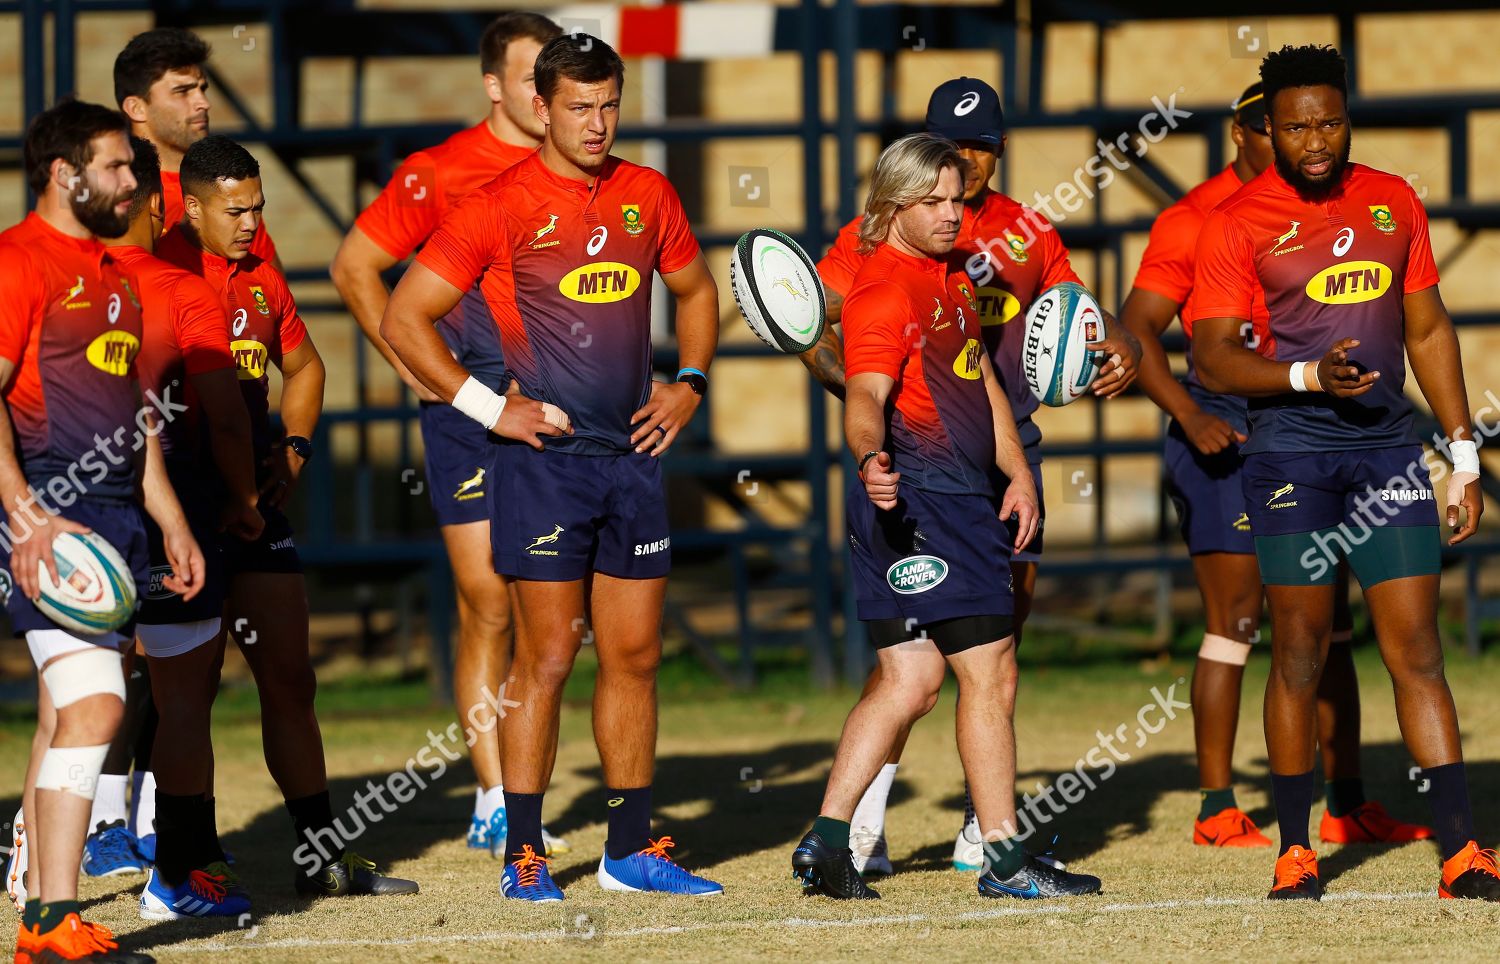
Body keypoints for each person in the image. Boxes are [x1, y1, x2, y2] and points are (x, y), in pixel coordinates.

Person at [382, 34, 722, 901]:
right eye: (579, 106)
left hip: (632, 459)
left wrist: (688, 383)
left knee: (636, 654)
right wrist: (493, 410)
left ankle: (629, 849)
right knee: (546, 658)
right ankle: (524, 851)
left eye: (610, 104)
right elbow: (404, 316)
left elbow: (695, 292)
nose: (598, 122)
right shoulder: (497, 205)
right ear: (540, 106)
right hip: (543, 467)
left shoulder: (648, 193)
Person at [799, 77, 1141, 874]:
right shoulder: (885, 269)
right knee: (983, 668)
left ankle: (830, 838)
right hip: (927, 487)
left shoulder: (965, 266)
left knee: (917, 674)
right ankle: (997, 853)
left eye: (977, 158)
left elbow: (1002, 362)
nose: (959, 193)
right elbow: (851, 369)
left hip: (978, 467)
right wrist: (872, 446)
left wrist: (1021, 465)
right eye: (944, 179)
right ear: (900, 198)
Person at [1190, 43, 1499, 901]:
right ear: (1269, 131)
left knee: (1418, 652)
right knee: (1295, 651)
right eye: (1296, 127)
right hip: (1289, 457)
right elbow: (1212, 359)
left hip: (1389, 455)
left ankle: (1463, 852)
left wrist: (1462, 453)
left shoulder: (1394, 200)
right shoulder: (1236, 221)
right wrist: (1301, 376)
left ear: (1346, 116)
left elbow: (1429, 331)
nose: (1315, 140)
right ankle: (1297, 850)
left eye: (1328, 120)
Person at [1119, 83, 1430, 848]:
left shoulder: (1348, 204)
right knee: (1241, 620)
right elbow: (1137, 329)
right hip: (1224, 420)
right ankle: (1217, 803)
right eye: (1280, 127)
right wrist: (1189, 415)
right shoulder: (1196, 219)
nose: (1302, 141)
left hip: (1318, 420)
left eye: (1321, 123)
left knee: (1331, 625)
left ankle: (1347, 800)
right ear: (1245, 131)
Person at [330, 10, 570, 857]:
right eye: (532, 72)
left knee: (559, 617)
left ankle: (545, 780)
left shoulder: (587, 168)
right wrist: (404, 357)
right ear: (496, 86)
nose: (550, 90)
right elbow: (354, 265)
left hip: (562, 413)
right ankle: (494, 795)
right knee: (489, 603)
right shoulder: (440, 172)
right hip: (469, 413)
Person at [158, 135, 417, 900]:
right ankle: (190, 860)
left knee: (291, 676)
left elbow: (304, 366)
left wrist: (296, 447)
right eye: (235, 210)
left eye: (258, 207)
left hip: (256, 504)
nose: (250, 222)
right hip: (186, 502)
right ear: (193, 208)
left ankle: (321, 854)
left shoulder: (260, 275)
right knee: (187, 689)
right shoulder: (162, 275)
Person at [5, 97, 207, 964]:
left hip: (120, 519)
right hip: (50, 513)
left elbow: (139, 419)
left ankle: (36, 890)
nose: (137, 182)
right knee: (98, 704)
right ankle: (52, 920)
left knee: (65, 709)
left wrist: (171, 519)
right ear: (65, 172)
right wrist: (21, 512)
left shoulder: (117, 275)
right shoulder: (17, 262)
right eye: (120, 166)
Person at [104, 136, 266, 919]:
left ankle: (42, 887)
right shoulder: (181, 290)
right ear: (162, 207)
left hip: (59, 514)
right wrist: (243, 497)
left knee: (74, 699)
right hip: (173, 508)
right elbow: (228, 416)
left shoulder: (30, 275)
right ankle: (177, 876)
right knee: (182, 698)